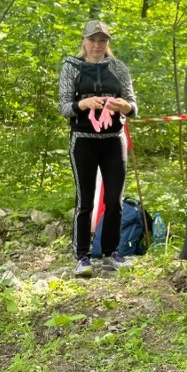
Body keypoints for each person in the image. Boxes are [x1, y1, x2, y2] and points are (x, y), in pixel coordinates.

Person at [59, 20, 138, 278]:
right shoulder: (71, 67)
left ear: (107, 43)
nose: (97, 45)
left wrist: (123, 106)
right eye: (93, 40)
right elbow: (64, 106)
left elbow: (133, 105)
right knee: (85, 200)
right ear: (84, 41)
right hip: (83, 140)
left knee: (114, 200)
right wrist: (84, 103)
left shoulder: (118, 67)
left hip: (114, 140)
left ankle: (110, 253)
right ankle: (82, 256)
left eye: (102, 40)